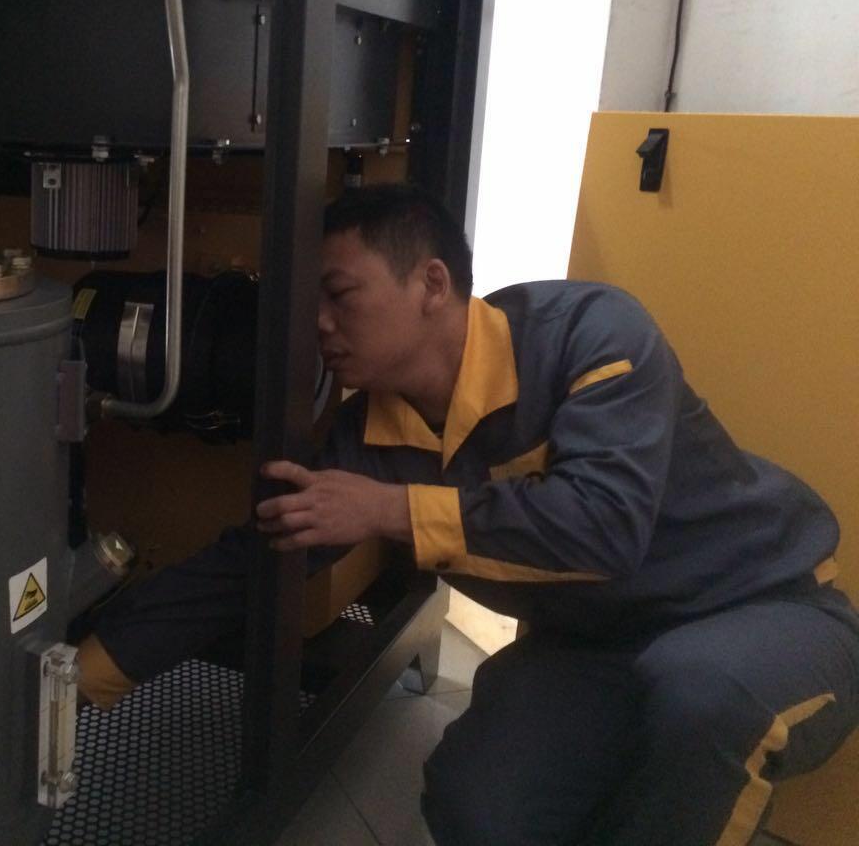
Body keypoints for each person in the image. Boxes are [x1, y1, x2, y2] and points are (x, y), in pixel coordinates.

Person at [75, 183, 859, 845]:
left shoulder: (592, 336)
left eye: (339, 295)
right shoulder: (365, 438)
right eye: (309, 302)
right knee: (476, 806)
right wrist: (82, 676)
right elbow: (253, 561)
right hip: (591, 645)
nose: (318, 323)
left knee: (704, 696)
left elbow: (604, 528)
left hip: (763, 604)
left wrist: (392, 509)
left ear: (432, 283)